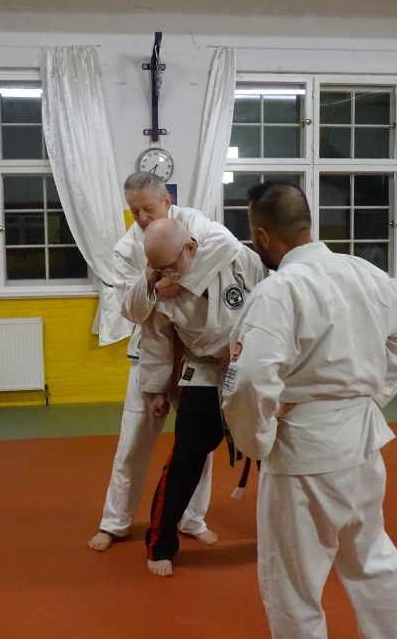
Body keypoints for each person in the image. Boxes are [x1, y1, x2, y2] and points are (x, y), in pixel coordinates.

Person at [222, 182, 397, 639]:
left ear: (262, 236)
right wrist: (372, 395)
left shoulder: (279, 291)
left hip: (304, 451)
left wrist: (257, 439)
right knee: (371, 559)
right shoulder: (362, 272)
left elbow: (250, 379)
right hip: (363, 444)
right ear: (306, 224)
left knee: (292, 582)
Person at [87, 172, 228, 553]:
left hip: (198, 355)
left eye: (148, 208)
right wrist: (150, 279)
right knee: (133, 442)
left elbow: (227, 248)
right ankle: (115, 522)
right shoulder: (126, 248)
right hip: (149, 351)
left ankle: (192, 518)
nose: (142, 218)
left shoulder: (194, 222)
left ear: (167, 201)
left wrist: (183, 281)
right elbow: (131, 311)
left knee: (198, 444)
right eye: (134, 211)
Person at [139, 216, 267, 576]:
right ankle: (160, 544)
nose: (165, 274)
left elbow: (270, 301)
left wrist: (245, 345)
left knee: (270, 455)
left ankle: (286, 534)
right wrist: (157, 389)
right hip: (203, 371)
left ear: (191, 247)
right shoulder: (160, 288)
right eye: (157, 268)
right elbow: (156, 340)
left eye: (171, 265)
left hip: (252, 367)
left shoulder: (236, 259)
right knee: (185, 458)